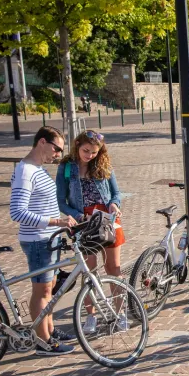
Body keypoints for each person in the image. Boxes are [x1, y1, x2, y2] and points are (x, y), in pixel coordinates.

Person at [9, 126, 77, 355]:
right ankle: (43, 342)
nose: (57, 155)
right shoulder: (25, 171)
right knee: (42, 291)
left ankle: (49, 329)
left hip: (48, 238)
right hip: (38, 240)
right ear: (42, 142)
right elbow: (17, 212)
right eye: (56, 149)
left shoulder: (37, 169)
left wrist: (60, 222)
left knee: (49, 288)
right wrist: (56, 222)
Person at [56, 130, 125, 333]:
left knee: (113, 268)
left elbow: (116, 193)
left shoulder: (103, 164)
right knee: (89, 271)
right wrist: (78, 216)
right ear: (77, 145)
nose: (90, 155)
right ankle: (91, 316)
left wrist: (114, 204)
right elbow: (61, 201)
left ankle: (120, 313)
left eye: (94, 152)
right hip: (84, 222)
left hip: (107, 219)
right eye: (86, 151)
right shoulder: (66, 168)